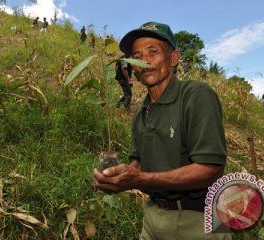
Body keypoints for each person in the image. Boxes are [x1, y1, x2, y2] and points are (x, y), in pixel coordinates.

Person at [93, 21, 231, 240]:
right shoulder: (141, 113)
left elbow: (210, 169)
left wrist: (141, 180)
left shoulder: (196, 96)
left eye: (153, 52)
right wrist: (118, 176)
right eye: (136, 56)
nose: (144, 61)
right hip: (152, 217)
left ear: (174, 58)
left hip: (198, 221)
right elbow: (138, 162)